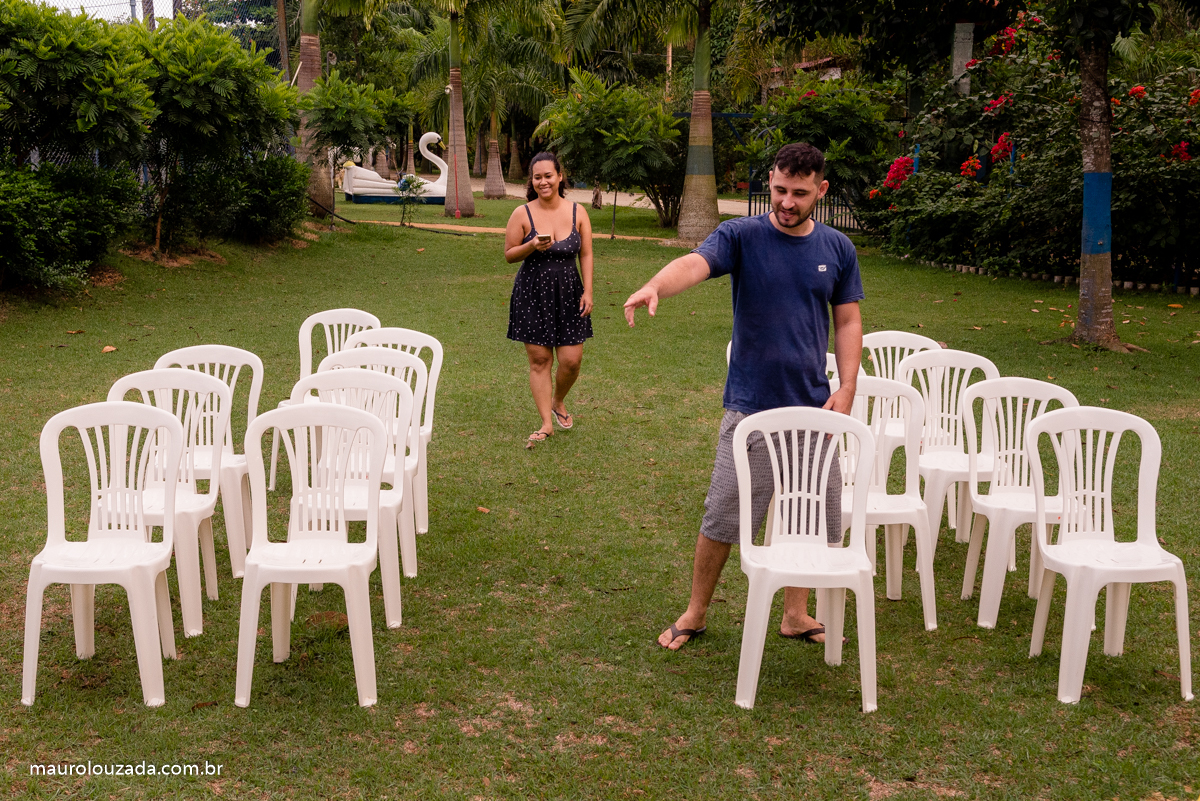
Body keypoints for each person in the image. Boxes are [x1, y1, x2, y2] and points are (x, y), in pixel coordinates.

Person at [623, 142, 864, 649]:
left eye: (799, 193)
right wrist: (656, 287)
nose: (786, 201)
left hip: (813, 409)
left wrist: (846, 386)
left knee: (814, 515)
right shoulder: (742, 235)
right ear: (769, 183)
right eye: (779, 189)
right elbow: (695, 263)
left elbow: (846, 319)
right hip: (750, 407)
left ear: (821, 190)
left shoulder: (838, 249)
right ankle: (695, 612)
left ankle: (796, 614)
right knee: (723, 515)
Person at [505, 152, 595, 447]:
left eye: (548, 175)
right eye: (537, 177)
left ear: (559, 176)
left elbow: (586, 253)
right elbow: (509, 254)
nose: (543, 181)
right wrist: (531, 244)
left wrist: (589, 291)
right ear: (532, 181)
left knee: (571, 360)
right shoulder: (522, 213)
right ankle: (546, 423)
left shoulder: (577, 212)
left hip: (569, 293)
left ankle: (558, 400)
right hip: (532, 294)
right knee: (540, 360)